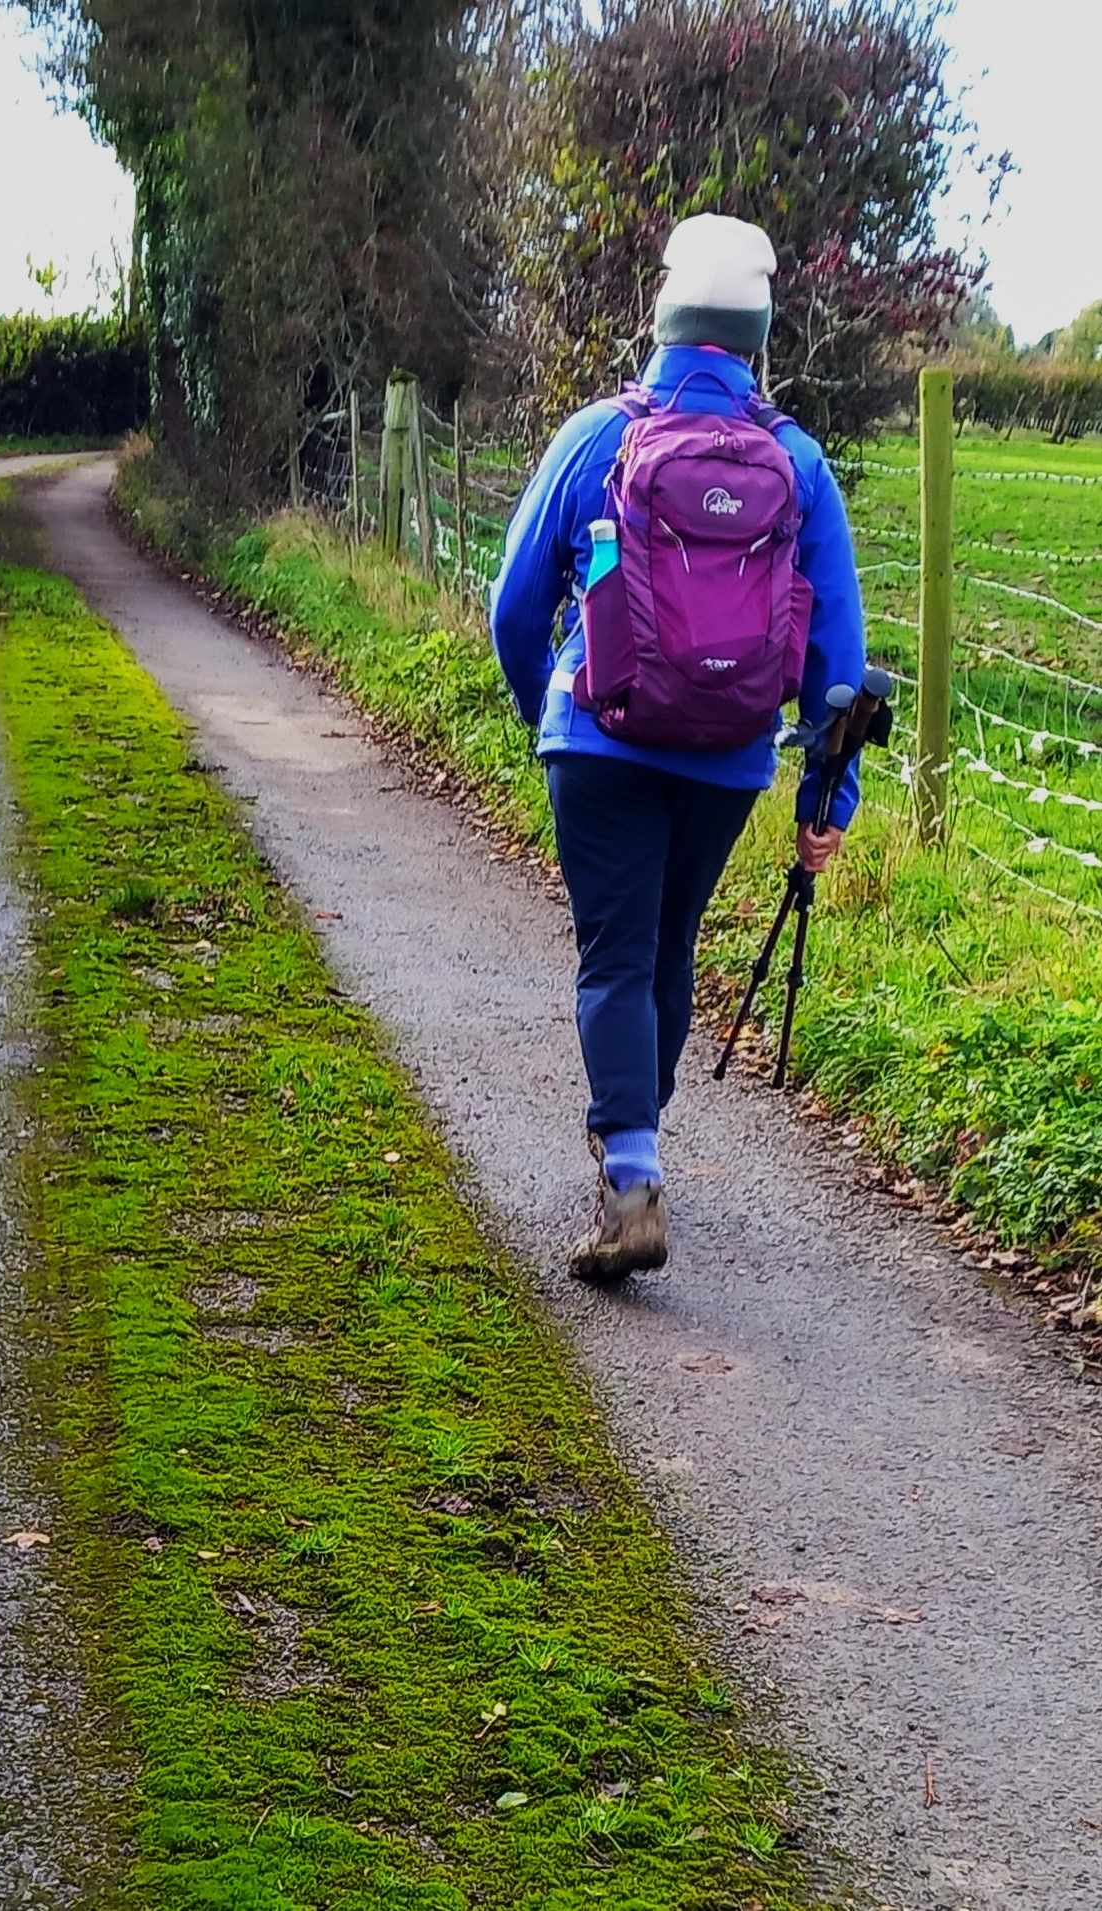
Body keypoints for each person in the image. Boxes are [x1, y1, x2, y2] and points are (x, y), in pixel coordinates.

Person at [488, 213, 867, 1283]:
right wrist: (823, 800)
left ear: (658, 315)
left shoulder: (595, 438)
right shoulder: (796, 462)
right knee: (666, 942)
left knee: (612, 951)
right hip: (728, 754)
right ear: (756, 334)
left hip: (598, 738)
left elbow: (513, 605)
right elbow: (836, 655)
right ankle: (630, 1143)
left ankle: (628, 1178)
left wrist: (544, 712)